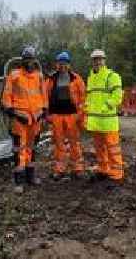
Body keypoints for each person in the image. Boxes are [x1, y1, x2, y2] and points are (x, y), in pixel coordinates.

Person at [2, 46, 47, 193]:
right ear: (23, 60)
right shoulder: (14, 75)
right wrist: (12, 112)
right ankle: (18, 181)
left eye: (31, 59)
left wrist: (44, 111)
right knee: (19, 150)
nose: (29, 62)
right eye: (27, 59)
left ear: (34, 61)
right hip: (19, 118)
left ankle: (31, 176)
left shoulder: (39, 76)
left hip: (36, 118)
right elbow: (7, 96)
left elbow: (44, 95)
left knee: (32, 149)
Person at [84, 49, 124, 185]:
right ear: (92, 62)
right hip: (95, 123)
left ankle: (117, 174)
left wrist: (105, 107)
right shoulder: (90, 78)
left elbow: (117, 96)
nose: (98, 62)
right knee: (99, 149)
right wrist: (86, 110)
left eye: (100, 59)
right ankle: (103, 169)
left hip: (108, 122)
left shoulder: (112, 76)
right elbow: (89, 98)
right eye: (95, 59)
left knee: (113, 149)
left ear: (104, 60)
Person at [44, 51, 86, 180]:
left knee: (75, 143)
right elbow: (45, 97)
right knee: (58, 144)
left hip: (72, 116)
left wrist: (80, 115)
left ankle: (77, 168)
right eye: (60, 63)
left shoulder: (76, 79)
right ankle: (59, 169)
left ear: (69, 65)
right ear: (57, 64)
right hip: (56, 116)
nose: (62, 66)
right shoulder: (51, 79)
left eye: (65, 63)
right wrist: (47, 115)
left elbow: (83, 99)